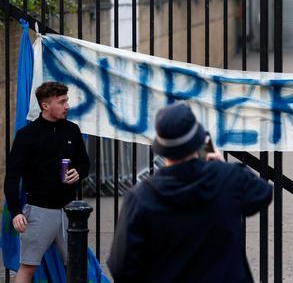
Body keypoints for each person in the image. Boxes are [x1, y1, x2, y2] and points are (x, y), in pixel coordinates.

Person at [107, 102, 273, 282]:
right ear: (199, 141)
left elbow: (122, 268)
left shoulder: (140, 198)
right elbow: (262, 194)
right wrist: (219, 163)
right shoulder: (227, 178)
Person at [4, 81, 90, 283]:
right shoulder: (27, 135)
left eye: (66, 100)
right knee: (27, 268)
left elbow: (84, 163)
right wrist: (16, 212)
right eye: (62, 102)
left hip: (71, 213)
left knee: (78, 265)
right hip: (38, 211)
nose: (67, 105)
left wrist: (79, 172)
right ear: (45, 105)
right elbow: (12, 176)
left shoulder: (72, 130)